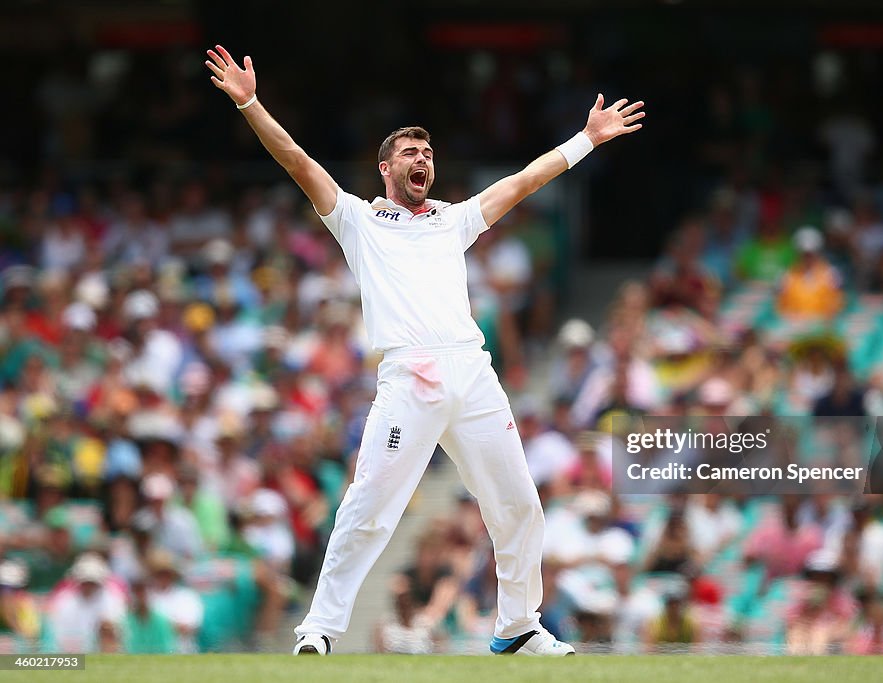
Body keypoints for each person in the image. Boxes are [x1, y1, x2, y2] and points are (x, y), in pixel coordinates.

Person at [205, 43, 644, 656]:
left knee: (520, 505)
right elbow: (298, 162)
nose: (423, 159)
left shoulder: (453, 219)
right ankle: (320, 628)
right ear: (386, 168)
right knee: (370, 507)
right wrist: (251, 103)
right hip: (409, 378)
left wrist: (587, 139)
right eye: (410, 153)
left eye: (428, 153)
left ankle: (518, 626)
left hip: (473, 372)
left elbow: (522, 181)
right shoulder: (357, 220)